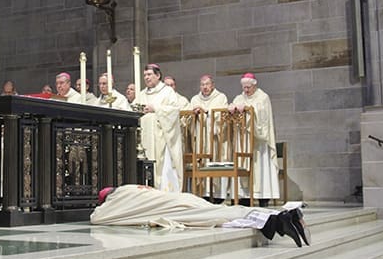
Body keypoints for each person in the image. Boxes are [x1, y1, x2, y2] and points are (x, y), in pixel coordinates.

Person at [90, 185, 310, 247]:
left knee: (215, 216)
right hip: (181, 198)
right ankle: (277, 217)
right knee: (220, 210)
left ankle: (276, 220)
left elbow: (98, 217)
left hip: (176, 207)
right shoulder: (133, 187)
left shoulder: (117, 200)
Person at [229, 73, 280, 207]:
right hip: (243, 140)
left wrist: (247, 109)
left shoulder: (263, 97)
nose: (246, 90)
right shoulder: (239, 98)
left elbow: (262, 118)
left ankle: (263, 197)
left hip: (259, 142)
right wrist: (233, 108)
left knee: (260, 167)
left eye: (248, 87)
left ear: (254, 85)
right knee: (244, 165)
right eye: (244, 87)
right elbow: (233, 109)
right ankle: (245, 197)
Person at [135, 64, 184, 193]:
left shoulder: (167, 91)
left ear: (158, 75)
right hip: (145, 138)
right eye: (145, 75)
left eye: (149, 74)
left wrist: (155, 109)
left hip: (162, 139)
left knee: (163, 168)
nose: (146, 77)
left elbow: (174, 111)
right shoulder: (141, 94)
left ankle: (165, 194)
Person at [188, 74, 228, 198]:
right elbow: (188, 119)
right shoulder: (195, 99)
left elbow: (222, 118)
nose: (205, 87)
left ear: (212, 85)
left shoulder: (221, 97)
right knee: (200, 162)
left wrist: (205, 113)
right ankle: (202, 193)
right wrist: (194, 115)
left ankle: (216, 195)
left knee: (214, 161)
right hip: (199, 138)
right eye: (202, 84)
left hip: (214, 139)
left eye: (207, 84)